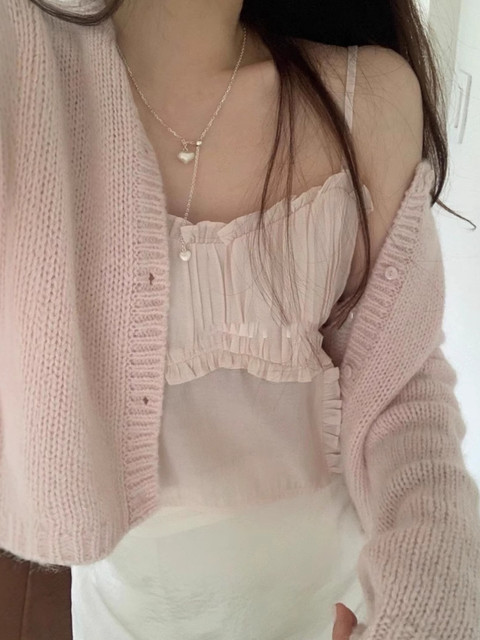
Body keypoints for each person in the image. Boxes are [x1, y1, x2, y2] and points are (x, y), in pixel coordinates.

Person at [0, 0, 479, 638]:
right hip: (123, 617)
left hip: (343, 609)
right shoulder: (22, 73)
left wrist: (431, 600)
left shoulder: (368, 97)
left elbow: (401, 384)